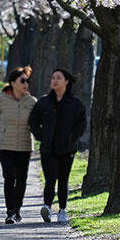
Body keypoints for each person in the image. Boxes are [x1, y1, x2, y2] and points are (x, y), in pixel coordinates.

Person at [28, 68, 87, 224]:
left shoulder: (75, 104)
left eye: (58, 78)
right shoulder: (44, 102)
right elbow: (33, 121)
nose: (54, 80)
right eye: (53, 78)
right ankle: (46, 207)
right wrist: (40, 136)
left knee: (63, 180)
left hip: (67, 149)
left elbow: (82, 124)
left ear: (66, 81)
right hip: (48, 148)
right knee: (50, 179)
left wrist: (72, 137)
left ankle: (62, 210)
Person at [0, 66, 36, 224]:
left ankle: (17, 210)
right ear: (13, 82)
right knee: (9, 177)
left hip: (24, 145)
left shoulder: (31, 102)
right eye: (22, 80)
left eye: (27, 81)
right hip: (5, 145)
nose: (26, 84)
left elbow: (37, 122)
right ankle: (10, 212)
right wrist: (2, 129)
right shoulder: (2, 99)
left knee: (21, 179)